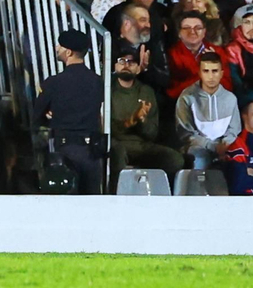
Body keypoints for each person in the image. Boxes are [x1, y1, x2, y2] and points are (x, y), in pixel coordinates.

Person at [32, 29, 106, 195]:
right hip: (93, 152)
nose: (57, 48)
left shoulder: (53, 83)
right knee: (93, 204)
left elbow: (37, 118)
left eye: (60, 45)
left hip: (64, 151)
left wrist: (50, 117)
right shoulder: (97, 82)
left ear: (68, 52)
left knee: (66, 204)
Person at [109, 43, 182, 184]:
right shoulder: (107, 90)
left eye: (131, 62)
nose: (126, 65)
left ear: (138, 69)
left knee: (174, 159)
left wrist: (142, 121)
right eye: (121, 61)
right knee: (117, 152)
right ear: (115, 66)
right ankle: (116, 197)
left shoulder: (146, 91)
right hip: (117, 144)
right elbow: (106, 129)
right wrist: (131, 121)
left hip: (142, 145)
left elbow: (152, 133)